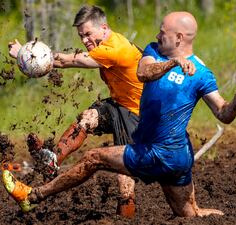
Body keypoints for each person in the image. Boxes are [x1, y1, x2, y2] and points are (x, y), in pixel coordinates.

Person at [2, 11, 236, 217]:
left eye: (164, 32)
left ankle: (32, 196)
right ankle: (53, 160)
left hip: (163, 153)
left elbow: (223, 114)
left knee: (94, 158)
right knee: (188, 215)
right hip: (166, 151)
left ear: (179, 38)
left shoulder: (202, 74)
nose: (158, 34)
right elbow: (143, 73)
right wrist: (173, 62)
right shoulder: (153, 51)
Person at [8, 5, 143, 218]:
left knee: (124, 176)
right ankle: (52, 160)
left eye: (88, 34)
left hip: (137, 114)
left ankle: (126, 217)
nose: (84, 41)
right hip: (119, 104)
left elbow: (68, 60)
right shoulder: (107, 42)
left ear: (104, 28)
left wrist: (26, 55)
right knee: (87, 119)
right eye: (81, 36)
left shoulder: (115, 49)